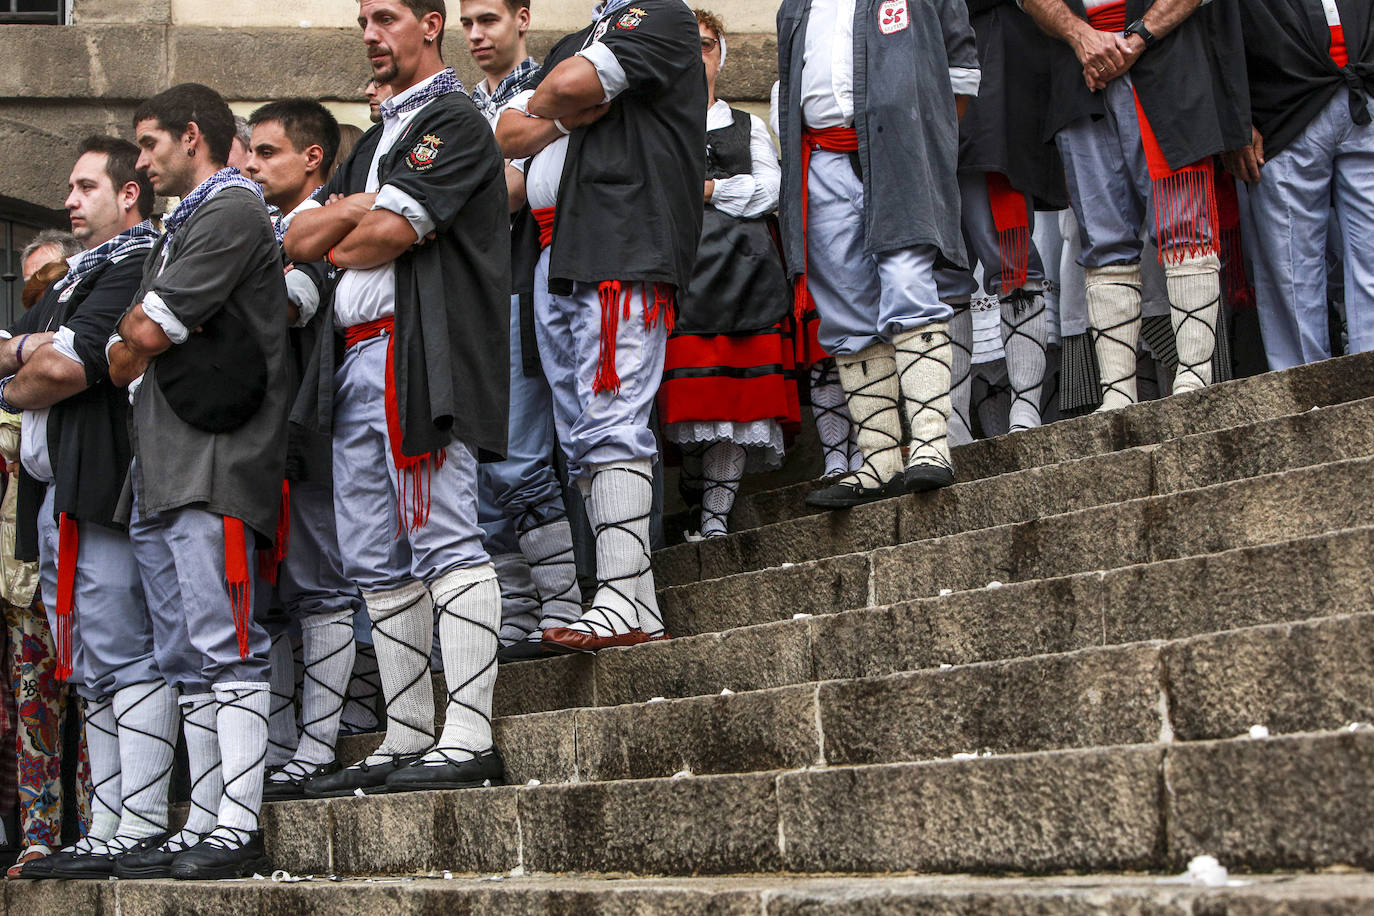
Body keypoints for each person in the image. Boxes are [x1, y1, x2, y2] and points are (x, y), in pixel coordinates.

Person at [285, 0, 511, 796]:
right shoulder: (376, 139)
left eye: (386, 18)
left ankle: (470, 732)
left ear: (429, 23)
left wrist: (348, 218)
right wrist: (357, 211)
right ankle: (409, 731)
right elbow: (295, 239)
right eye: (362, 22)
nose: (372, 36)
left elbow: (372, 239)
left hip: (420, 354)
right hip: (352, 361)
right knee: (375, 560)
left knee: (445, 535)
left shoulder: (452, 116)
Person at [105, 82, 290, 880]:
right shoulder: (179, 223)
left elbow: (140, 332)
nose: (141, 164)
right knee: (186, 652)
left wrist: (141, 338)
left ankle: (237, 823)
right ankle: (207, 817)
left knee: (226, 642)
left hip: (217, 459)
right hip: (163, 461)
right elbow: (125, 353)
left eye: (148, 146)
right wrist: (138, 340)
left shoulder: (231, 208)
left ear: (190, 136)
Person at [495, 0, 706, 651]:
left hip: (623, 243)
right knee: (585, 431)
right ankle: (635, 603)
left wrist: (558, 104)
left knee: (611, 418)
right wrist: (568, 110)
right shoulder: (587, 34)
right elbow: (505, 132)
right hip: (572, 251)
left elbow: (564, 89)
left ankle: (618, 596)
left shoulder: (662, 15)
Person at [0, 138, 170, 880]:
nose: (69, 199)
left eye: (84, 186)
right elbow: (47, 361)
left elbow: (69, 367)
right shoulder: (80, 273)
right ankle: (108, 823)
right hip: (58, 495)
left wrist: (12, 362)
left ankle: (135, 821)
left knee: (122, 651)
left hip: (104, 484)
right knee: (88, 663)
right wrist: (31, 358)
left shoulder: (134, 261)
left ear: (128, 195)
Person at [777, 0, 980, 510]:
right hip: (820, 161)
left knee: (909, 283)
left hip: (899, 152)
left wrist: (925, 145)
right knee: (845, 310)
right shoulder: (795, 5)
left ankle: (933, 443)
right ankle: (880, 458)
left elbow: (960, 72)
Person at [1020, 0, 1249, 410]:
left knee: (1185, 228)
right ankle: (1117, 394)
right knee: (1103, 240)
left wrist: (1138, 37)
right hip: (1079, 76)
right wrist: (1083, 37)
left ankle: (1195, 377)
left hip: (1168, 66)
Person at [243, 99, 366, 801]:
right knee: (280, 600)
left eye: (267, 153)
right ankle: (285, 740)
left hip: (313, 429)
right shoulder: (263, 225)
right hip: (263, 440)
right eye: (251, 154)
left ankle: (319, 741)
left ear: (312, 157)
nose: (253, 165)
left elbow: (290, 305)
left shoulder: (321, 222)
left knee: (321, 586)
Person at [461, 0, 584, 661]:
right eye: (468, 24)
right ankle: (516, 613)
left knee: (520, 458)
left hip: (518, 282)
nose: (478, 34)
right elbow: (412, 185)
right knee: (478, 470)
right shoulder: (442, 113)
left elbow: (511, 187)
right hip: (455, 303)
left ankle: (562, 606)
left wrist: (440, 194)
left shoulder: (548, 89)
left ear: (522, 17)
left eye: (489, 19)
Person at [658, 10, 796, 538]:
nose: (698, 56)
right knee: (692, 403)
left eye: (708, 45)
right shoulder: (656, 127)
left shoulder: (747, 125)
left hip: (744, 280)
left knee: (736, 405)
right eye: (687, 46)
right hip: (682, 281)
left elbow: (772, 190)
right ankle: (697, 507)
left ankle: (714, 523)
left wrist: (711, 189)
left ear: (721, 54)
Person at [938, 0, 1067, 435]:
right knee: (940, 273)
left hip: (992, 80)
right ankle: (951, 420)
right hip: (924, 93)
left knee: (1007, 251)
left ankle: (1025, 407)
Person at [1225, 0, 1374, 370]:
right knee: (1292, 273)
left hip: (1362, 94)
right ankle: (1305, 399)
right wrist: (1235, 119)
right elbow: (1217, 26)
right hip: (1281, 110)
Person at [1, 230, 86, 878]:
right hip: (21, 574)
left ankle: (98, 827)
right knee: (34, 704)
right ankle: (37, 837)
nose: (43, 291)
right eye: (32, 285)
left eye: (52, 279)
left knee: (98, 689)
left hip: (82, 549)